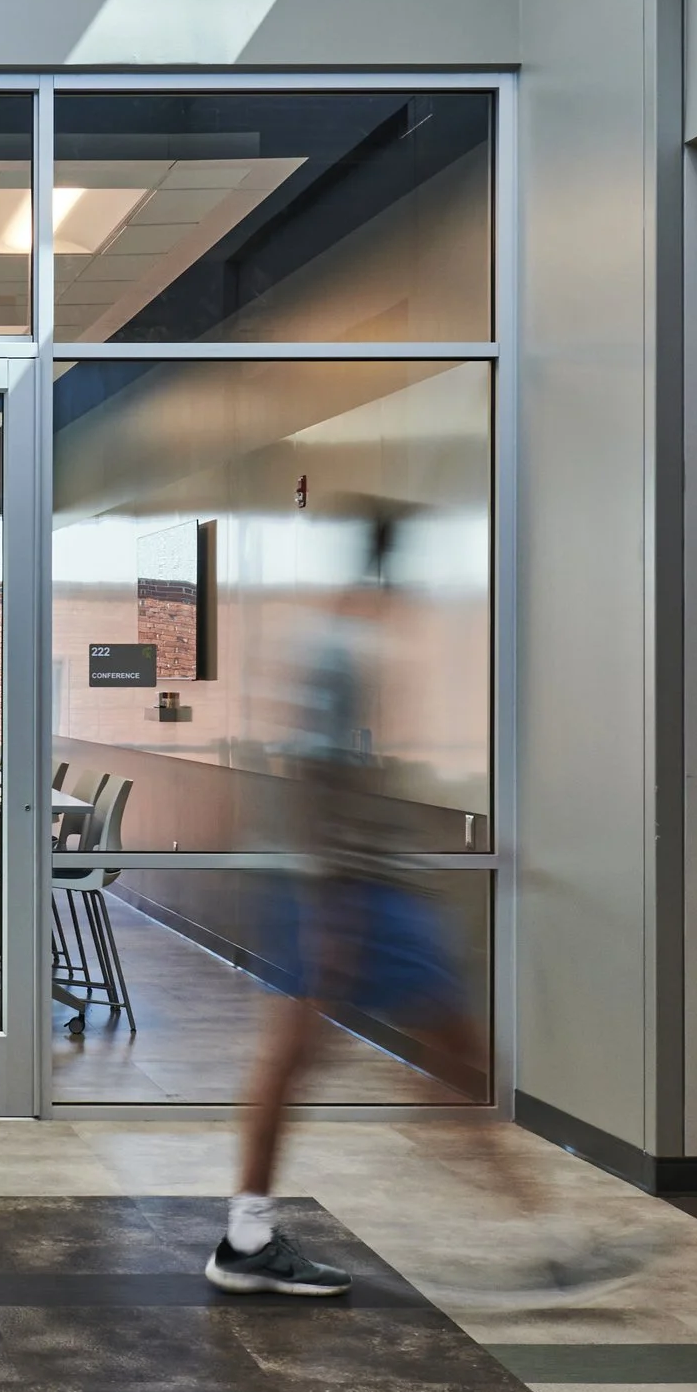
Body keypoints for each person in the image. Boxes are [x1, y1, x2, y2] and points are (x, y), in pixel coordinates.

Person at [206, 504, 487, 1300]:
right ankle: (537, 1235)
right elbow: (323, 772)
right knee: (451, 1052)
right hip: (343, 884)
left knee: (334, 1057)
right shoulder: (348, 645)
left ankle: (248, 1233)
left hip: (346, 879)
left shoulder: (340, 638)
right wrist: (336, 910)